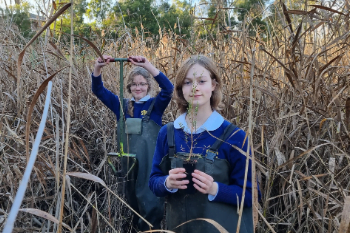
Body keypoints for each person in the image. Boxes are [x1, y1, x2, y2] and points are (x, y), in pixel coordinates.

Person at [149, 55, 260, 233]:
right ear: (180, 89)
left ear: (213, 85)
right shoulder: (167, 133)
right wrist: (167, 183)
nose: (194, 88)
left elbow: (250, 196)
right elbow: (153, 182)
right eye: (187, 82)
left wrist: (214, 188)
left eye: (201, 81)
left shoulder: (236, 137)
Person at [92, 55, 174, 232]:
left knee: (150, 201)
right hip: (128, 165)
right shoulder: (120, 105)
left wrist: (148, 65)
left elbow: (168, 89)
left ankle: (152, 230)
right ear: (129, 87)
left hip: (149, 165)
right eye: (135, 84)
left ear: (148, 86)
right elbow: (98, 90)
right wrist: (98, 68)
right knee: (132, 202)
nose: (138, 87)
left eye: (142, 84)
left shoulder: (154, 107)